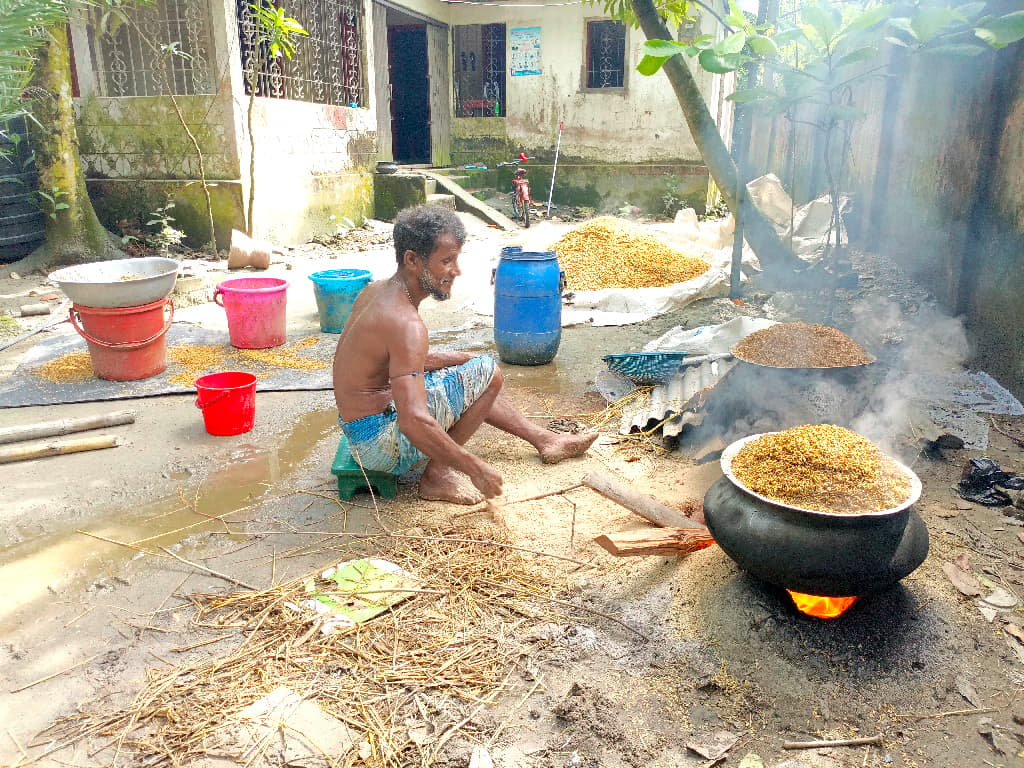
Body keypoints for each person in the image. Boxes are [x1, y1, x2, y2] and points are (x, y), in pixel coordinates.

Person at [333, 204, 597, 505]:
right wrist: (473, 468)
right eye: (446, 261)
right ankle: (437, 477)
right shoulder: (405, 323)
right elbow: (413, 421)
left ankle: (546, 440)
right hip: (380, 447)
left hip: (360, 430)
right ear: (412, 260)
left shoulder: (376, 291)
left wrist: (462, 358)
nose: (455, 271)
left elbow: (401, 362)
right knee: (488, 373)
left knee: (477, 371)